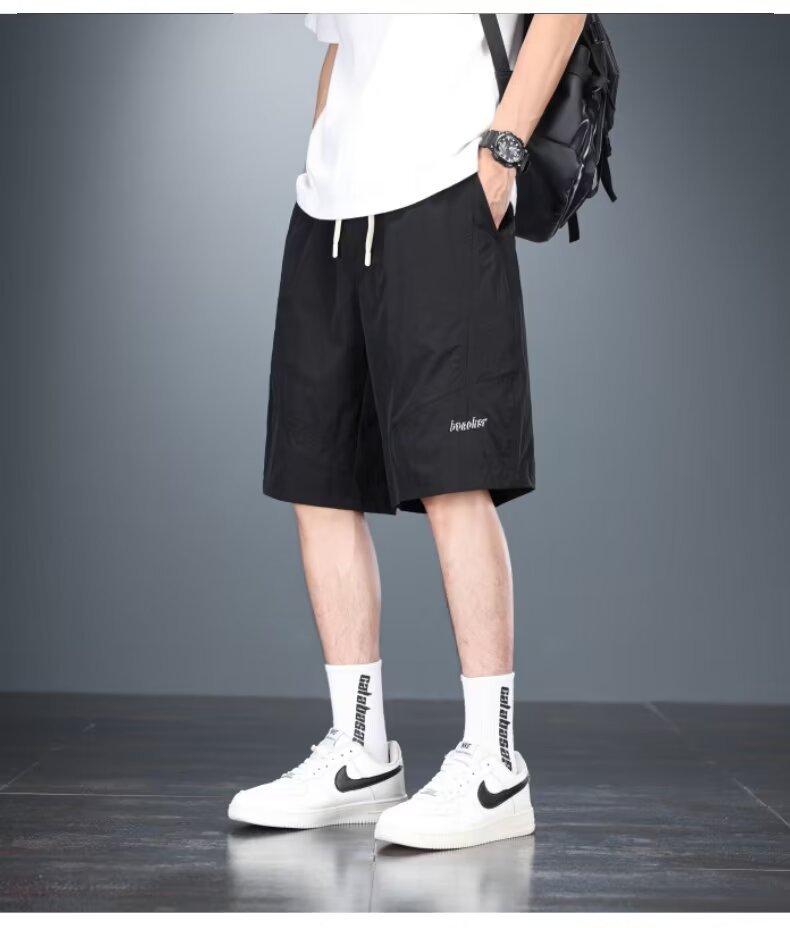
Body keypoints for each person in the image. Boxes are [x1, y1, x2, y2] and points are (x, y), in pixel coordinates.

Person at [228, 13, 587, 850]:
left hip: (444, 189)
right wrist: (324, 152)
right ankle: (359, 752)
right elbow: (339, 42)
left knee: (455, 478)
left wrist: (502, 151)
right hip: (328, 210)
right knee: (317, 484)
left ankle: (495, 765)